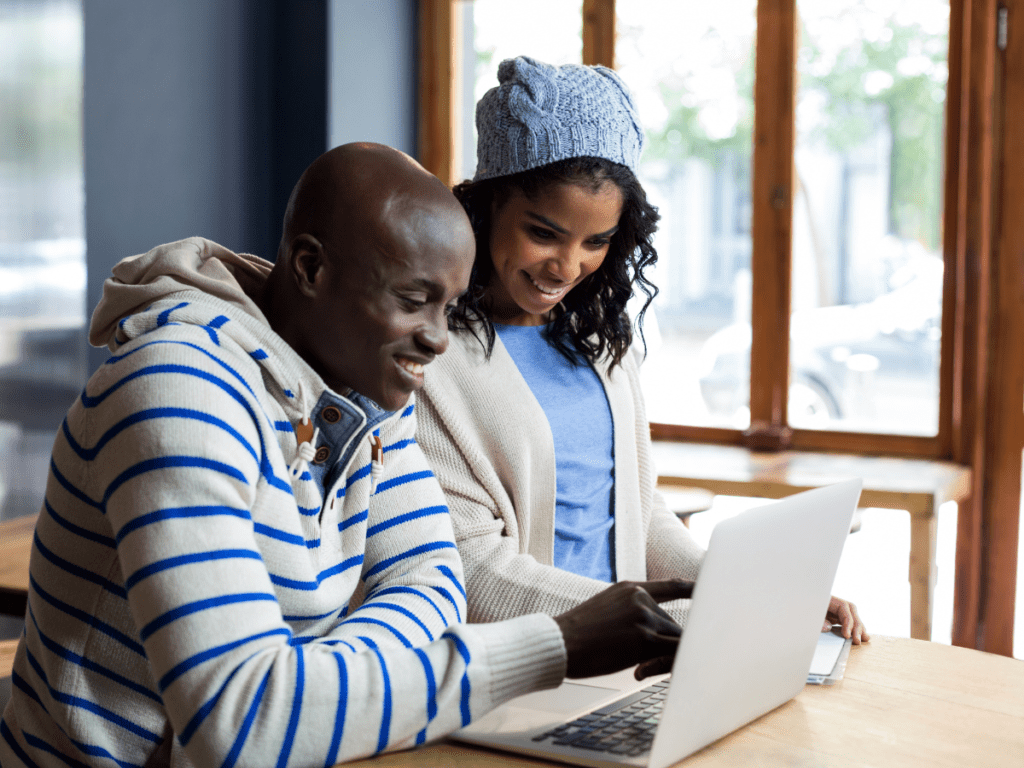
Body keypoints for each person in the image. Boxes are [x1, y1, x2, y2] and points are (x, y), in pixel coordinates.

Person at [0, 142, 694, 768]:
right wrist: (556, 645)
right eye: (413, 301)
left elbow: (433, 581)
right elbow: (243, 725)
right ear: (310, 268)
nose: (438, 340)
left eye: (447, 307)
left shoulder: (364, 395)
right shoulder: (178, 393)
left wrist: (309, 694)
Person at [416, 57, 868, 646]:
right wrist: (674, 619)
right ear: (485, 206)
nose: (568, 266)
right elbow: (472, 567)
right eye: (544, 233)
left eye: (596, 241)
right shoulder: (429, 357)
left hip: (638, 654)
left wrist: (754, 589)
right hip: (532, 667)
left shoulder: (600, 342)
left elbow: (638, 514)